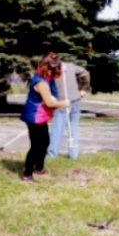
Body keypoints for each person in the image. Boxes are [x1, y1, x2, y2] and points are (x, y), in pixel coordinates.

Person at [20, 52, 69, 181]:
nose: (55, 71)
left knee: (45, 142)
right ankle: (27, 174)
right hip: (35, 117)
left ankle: (39, 167)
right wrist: (64, 103)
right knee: (36, 146)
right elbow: (50, 103)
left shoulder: (47, 78)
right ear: (46, 67)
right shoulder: (41, 82)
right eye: (53, 68)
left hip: (41, 117)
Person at [47, 61, 91, 159]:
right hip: (71, 100)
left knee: (58, 128)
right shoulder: (68, 66)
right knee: (72, 128)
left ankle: (52, 154)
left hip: (66, 102)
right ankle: (73, 155)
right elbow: (86, 73)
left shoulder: (58, 68)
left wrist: (84, 89)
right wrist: (84, 89)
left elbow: (85, 73)